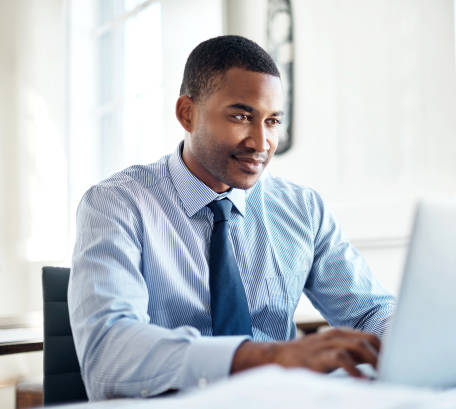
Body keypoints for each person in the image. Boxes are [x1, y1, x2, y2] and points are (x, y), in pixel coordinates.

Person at [68, 35, 395, 400]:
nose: (261, 142)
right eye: (241, 116)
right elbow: (108, 352)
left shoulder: (302, 208)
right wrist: (271, 357)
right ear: (187, 114)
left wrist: (409, 336)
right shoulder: (116, 204)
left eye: (272, 121)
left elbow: (369, 312)